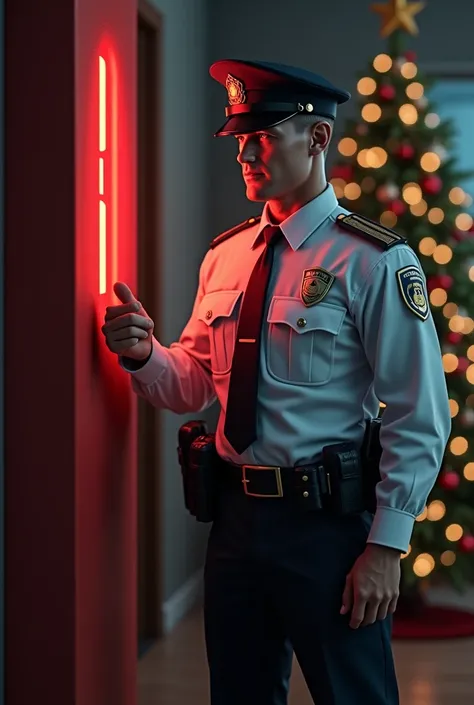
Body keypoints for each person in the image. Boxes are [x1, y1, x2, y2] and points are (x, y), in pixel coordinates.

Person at [102, 59, 451, 705]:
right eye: (239, 138)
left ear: (318, 139)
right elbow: (196, 384)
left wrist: (386, 547)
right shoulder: (226, 254)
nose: (245, 151)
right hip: (235, 524)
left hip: (329, 531)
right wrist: (144, 353)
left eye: (263, 135)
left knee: (355, 695)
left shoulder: (372, 260)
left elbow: (418, 411)